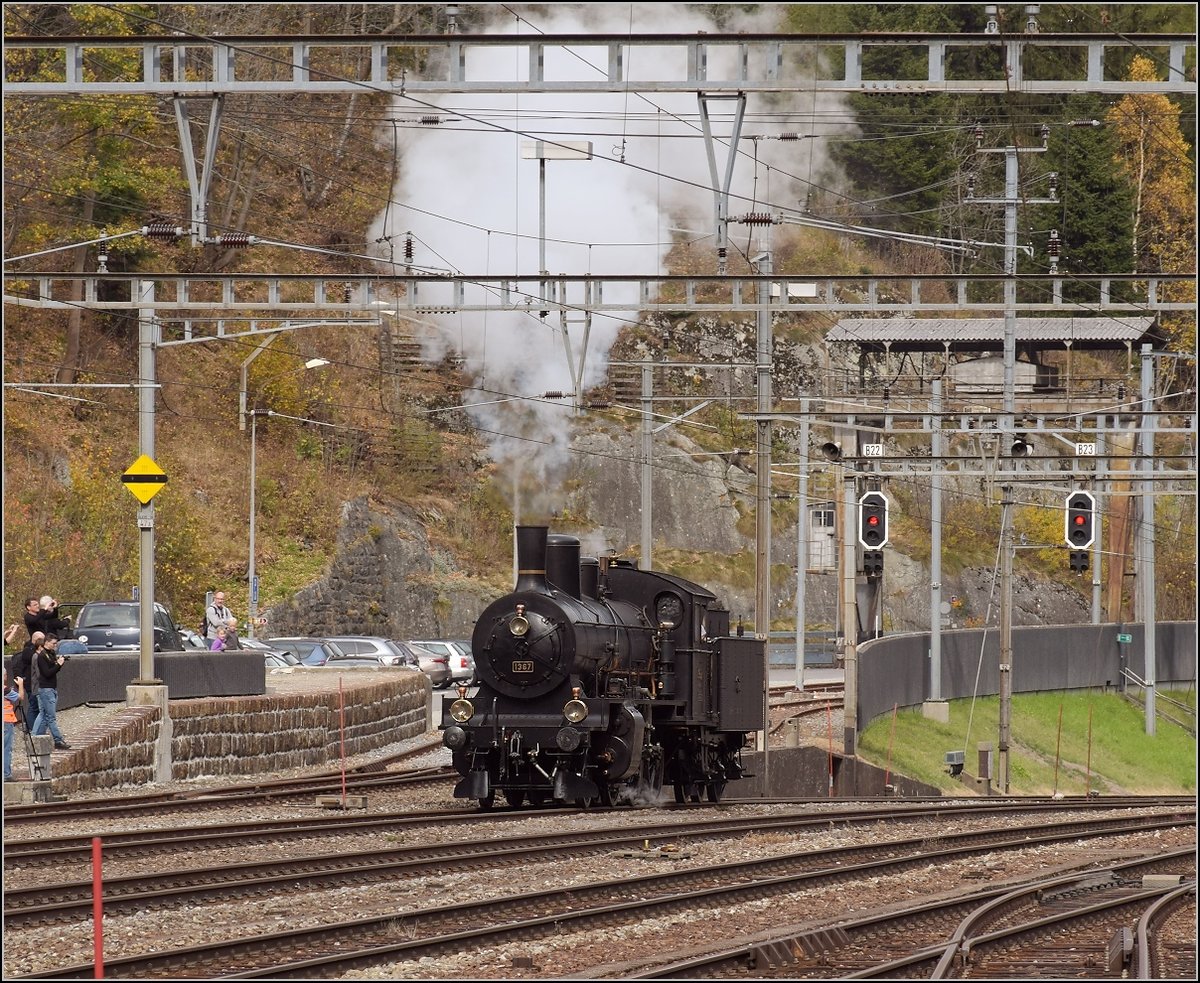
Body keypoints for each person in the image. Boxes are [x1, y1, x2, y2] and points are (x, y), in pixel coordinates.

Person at [31, 634, 70, 750]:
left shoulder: (51, 654)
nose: (55, 645)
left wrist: (58, 663)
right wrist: (58, 664)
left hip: (51, 688)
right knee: (50, 717)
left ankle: (36, 738)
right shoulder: (41, 656)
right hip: (45, 689)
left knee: (43, 714)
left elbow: (53, 668)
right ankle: (58, 740)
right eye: (53, 643)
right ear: (46, 642)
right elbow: (47, 673)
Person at [10, 630, 42, 730]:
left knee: (36, 706)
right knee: (33, 706)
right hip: (30, 683)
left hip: (34, 683)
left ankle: (33, 727)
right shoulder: (28, 651)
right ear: (37, 640)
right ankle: (30, 728)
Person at [3, 666, 23, 781]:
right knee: (6, 748)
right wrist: (20, 685)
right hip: (6, 721)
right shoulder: (5, 690)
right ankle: (6, 774)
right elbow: (20, 698)